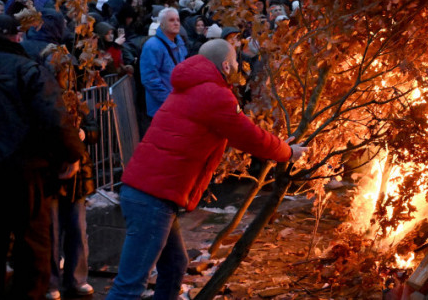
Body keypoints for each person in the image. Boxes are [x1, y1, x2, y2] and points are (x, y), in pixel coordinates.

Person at [106, 39, 303, 299]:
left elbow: (242, 132)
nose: (238, 66)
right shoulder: (214, 94)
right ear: (225, 66)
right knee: (129, 286)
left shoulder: (193, 87)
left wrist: (279, 145)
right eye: (235, 62)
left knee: (175, 266)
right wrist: (288, 153)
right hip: (152, 198)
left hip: (151, 193)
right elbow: (249, 137)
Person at [0, 14, 87, 299]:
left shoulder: (25, 70)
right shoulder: (27, 69)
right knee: (33, 250)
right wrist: (71, 155)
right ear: (17, 37)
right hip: (23, 175)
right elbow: (53, 117)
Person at [139, 7, 187, 120]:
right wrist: (170, 100)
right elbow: (149, 79)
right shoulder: (152, 46)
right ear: (162, 24)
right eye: (171, 20)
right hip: (161, 108)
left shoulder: (180, 43)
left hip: (179, 104)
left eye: (178, 20)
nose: (176, 23)